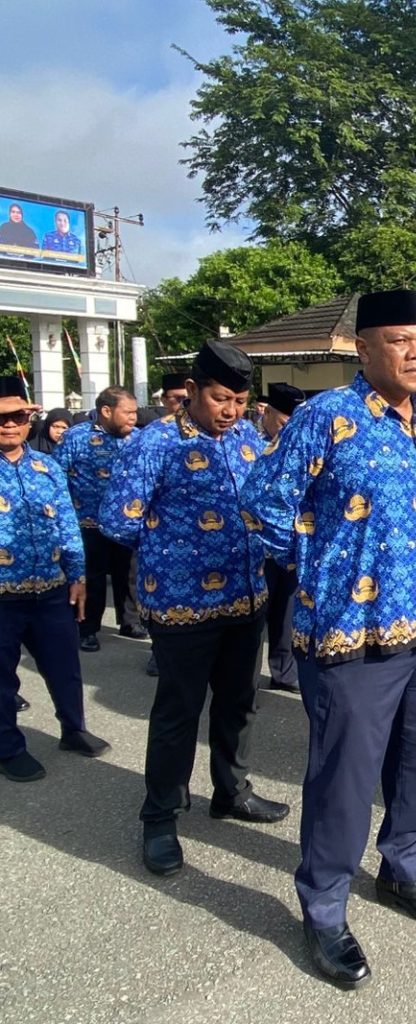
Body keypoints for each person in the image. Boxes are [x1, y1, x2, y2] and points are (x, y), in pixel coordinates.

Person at [240, 289, 416, 990]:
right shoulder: (325, 419)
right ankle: (325, 906)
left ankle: (404, 867)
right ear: (362, 349)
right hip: (351, 634)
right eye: (400, 341)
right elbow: (262, 502)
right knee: (344, 777)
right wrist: (318, 573)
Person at [99, 340, 287, 878]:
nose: (230, 411)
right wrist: (175, 544)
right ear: (192, 394)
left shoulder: (248, 438)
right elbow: (118, 519)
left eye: (239, 401)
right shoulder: (154, 443)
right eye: (220, 399)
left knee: (239, 703)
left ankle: (231, 791)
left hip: (245, 598)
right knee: (179, 713)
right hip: (182, 606)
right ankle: (159, 817)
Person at [0, 376, 109, 782]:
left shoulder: (47, 466)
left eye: (18, 416)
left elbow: (67, 524)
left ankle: (73, 729)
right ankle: (9, 747)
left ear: (30, 419)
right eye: (3, 417)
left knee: (64, 667)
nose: (10, 425)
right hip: (2, 596)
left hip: (50, 589)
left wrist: (77, 576)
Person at [56, 387, 144, 652]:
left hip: (126, 524)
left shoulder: (138, 439)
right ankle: (87, 628)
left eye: (134, 412)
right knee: (92, 578)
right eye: (127, 412)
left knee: (129, 575)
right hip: (88, 523)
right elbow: (56, 475)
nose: (133, 417)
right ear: (107, 411)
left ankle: (130, 621)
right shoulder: (75, 438)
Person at [257, 382, 306, 694]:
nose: (288, 430)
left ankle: (284, 671)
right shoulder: (246, 442)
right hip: (254, 547)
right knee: (253, 619)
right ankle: (244, 683)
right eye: (284, 423)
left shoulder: (300, 445)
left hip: (289, 546)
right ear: (268, 412)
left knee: (286, 614)